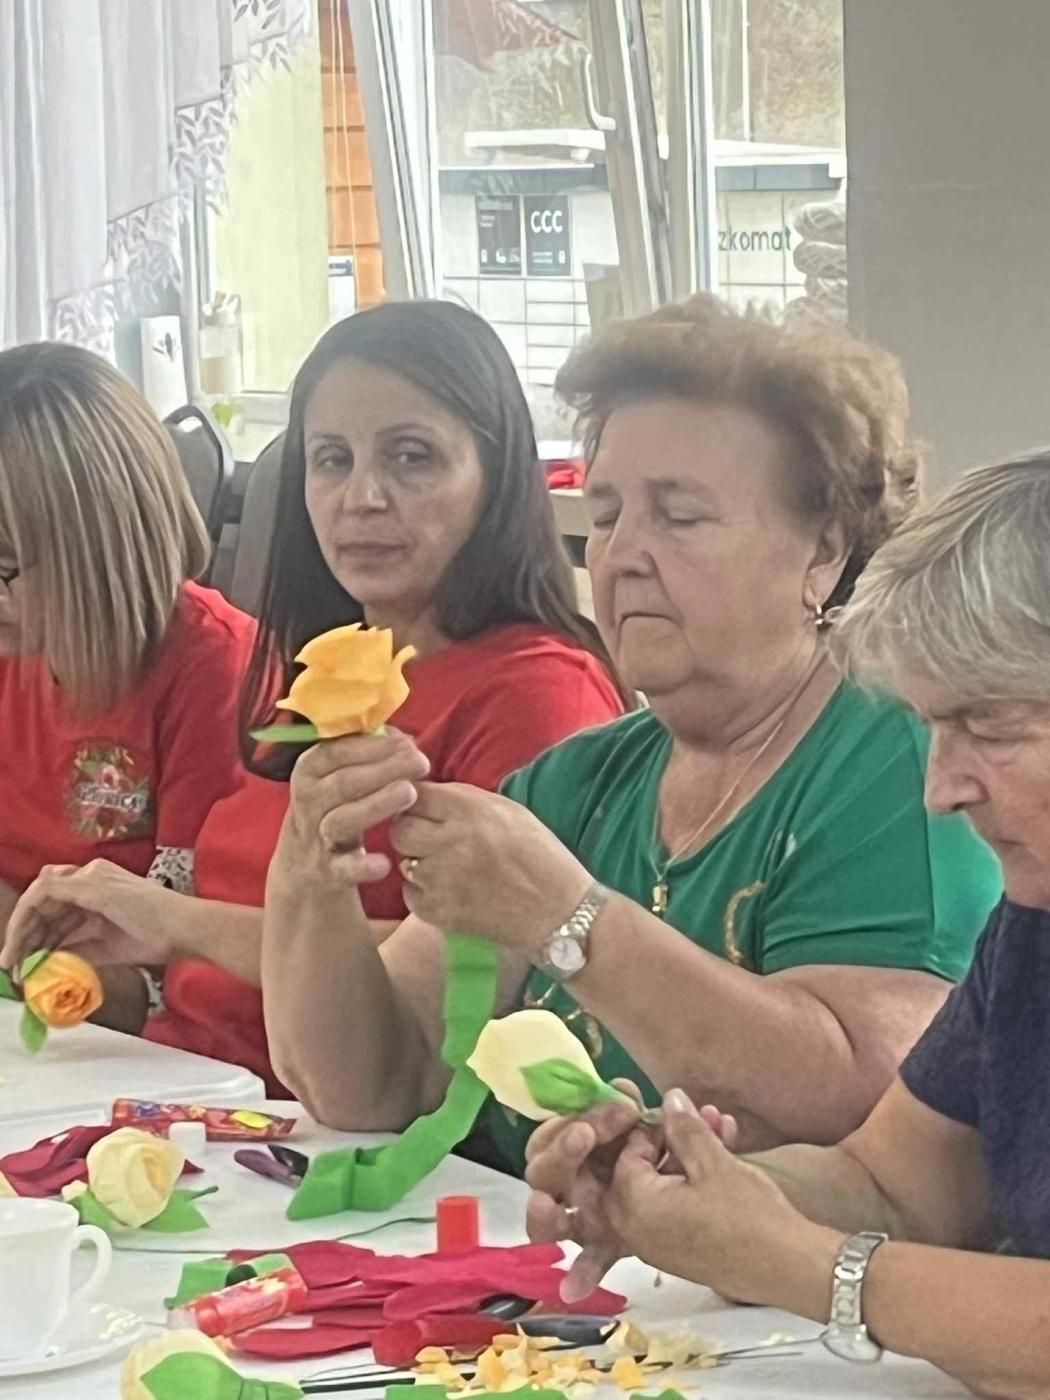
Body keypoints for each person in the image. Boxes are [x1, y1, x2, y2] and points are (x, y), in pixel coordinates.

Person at [257, 295, 1001, 1164]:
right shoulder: (572, 782)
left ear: (825, 549)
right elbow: (376, 1083)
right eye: (607, 515)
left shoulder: (898, 762)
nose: (623, 556)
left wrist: (568, 918)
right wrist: (310, 868)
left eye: (679, 516)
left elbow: (862, 1099)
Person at [523, 451, 1050, 1399]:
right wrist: (687, 1190)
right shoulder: (1033, 928)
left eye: (991, 727)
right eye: (935, 729)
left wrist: (811, 1270)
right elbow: (891, 1188)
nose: (941, 789)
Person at [1, 302, 624, 1083]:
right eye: (331, 460)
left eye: (411, 457)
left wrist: (173, 922)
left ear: (497, 477)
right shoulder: (324, 670)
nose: (362, 497)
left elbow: (467, 970)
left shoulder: (537, 694)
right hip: (180, 1075)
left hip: (319, 1114)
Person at [0, 342, 254, 1024]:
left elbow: (180, 971)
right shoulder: (16, 638)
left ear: (95, 548)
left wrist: (33, 962)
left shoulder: (216, 671)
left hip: (126, 1028)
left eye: (2, 567)